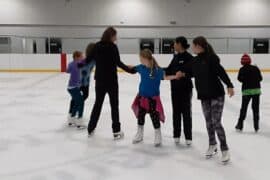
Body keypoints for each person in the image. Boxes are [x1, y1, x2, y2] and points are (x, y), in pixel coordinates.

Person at [177, 36, 234, 163]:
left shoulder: (211, 58)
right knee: (209, 122)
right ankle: (212, 144)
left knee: (216, 122)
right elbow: (190, 72)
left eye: (194, 45)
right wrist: (182, 73)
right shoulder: (195, 61)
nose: (192, 47)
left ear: (199, 46)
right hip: (204, 96)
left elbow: (221, 72)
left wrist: (229, 85)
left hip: (216, 94)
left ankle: (224, 149)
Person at [84, 27, 135, 140]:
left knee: (98, 104)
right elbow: (118, 63)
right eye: (115, 35)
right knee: (114, 106)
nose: (116, 38)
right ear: (111, 36)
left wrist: (77, 65)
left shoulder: (97, 46)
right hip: (111, 81)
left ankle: (90, 128)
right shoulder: (112, 47)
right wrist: (130, 70)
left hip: (100, 81)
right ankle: (116, 131)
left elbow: (87, 60)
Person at [131, 49, 180, 147]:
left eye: (141, 59)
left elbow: (166, 77)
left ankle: (158, 135)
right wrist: (120, 65)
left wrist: (175, 76)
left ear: (146, 59)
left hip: (152, 99)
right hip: (142, 97)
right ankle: (139, 134)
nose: (140, 61)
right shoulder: (141, 68)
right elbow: (132, 68)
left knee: (154, 117)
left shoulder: (158, 71)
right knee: (140, 116)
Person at [165, 36, 194, 146]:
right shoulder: (175, 57)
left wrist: (184, 74)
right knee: (176, 112)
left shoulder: (190, 57)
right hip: (175, 89)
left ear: (180, 44)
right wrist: (156, 69)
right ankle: (176, 135)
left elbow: (194, 72)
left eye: (175, 43)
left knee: (186, 112)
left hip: (186, 89)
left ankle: (188, 136)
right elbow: (168, 70)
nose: (173, 45)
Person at [235, 53, 263, 132]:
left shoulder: (242, 69)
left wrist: (245, 79)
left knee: (244, 108)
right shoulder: (255, 68)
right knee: (255, 108)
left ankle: (240, 125)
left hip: (246, 91)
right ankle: (256, 126)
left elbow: (239, 79)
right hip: (256, 91)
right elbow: (260, 78)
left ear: (242, 62)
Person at [69, 43, 95, 118]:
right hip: (79, 82)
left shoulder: (94, 60)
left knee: (85, 95)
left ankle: (75, 108)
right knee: (76, 97)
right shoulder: (84, 60)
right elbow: (78, 67)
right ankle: (71, 111)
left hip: (86, 81)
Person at [66, 51, 85, 129]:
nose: (82, 57)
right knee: (81, 102)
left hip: (70, 87)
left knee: (76, 103)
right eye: (81, 56)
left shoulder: (71, 64)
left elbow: (67, 71)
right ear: (77, 57)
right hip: (74, 87)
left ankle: (71, 119)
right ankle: (79, 122)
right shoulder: (78, 64)